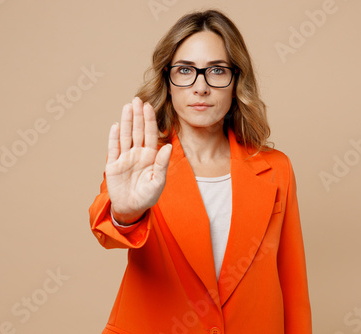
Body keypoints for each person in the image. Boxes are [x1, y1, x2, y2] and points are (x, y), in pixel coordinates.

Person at [89, 9, 312, 334]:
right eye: (185, 70)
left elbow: (292, 285)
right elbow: (107, 228)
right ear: (167, 78)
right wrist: (126, 213)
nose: (201, 87)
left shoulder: (277, 169)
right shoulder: (142, 159)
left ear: (236, 81)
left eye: (217, 71)